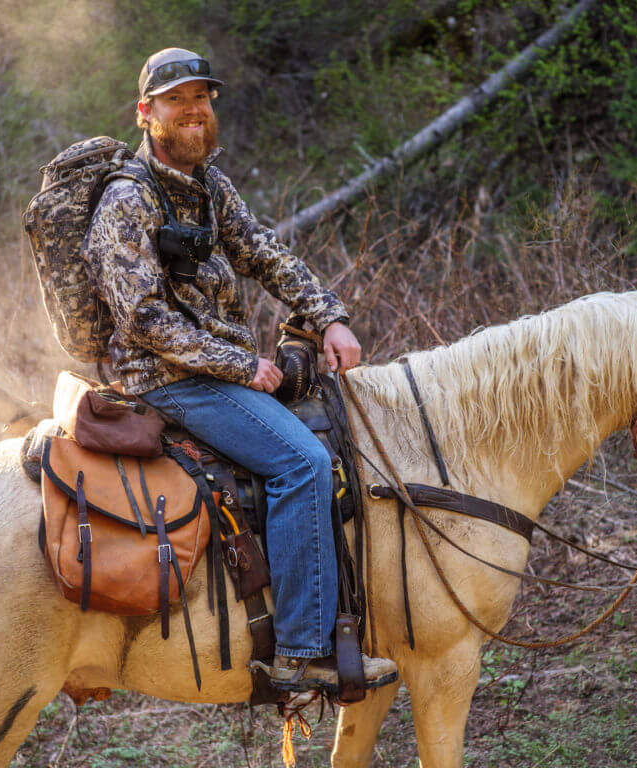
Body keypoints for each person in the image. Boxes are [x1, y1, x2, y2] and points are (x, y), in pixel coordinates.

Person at [83, 47, 397, 694]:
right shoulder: (126, 200)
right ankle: (302, 655)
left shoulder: (208, 186)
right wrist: (239, 364)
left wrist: (329, 315)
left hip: (215, 374)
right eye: (177, 100)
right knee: (301, 462)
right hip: (167, 380)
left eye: (201, 97)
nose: (194, 110)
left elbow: (265, 255)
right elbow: (143, 317)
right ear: (146, 113)